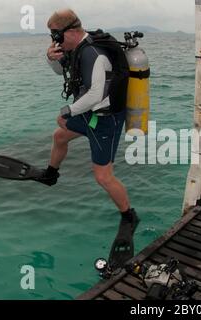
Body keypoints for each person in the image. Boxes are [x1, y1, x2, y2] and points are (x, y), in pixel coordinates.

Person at [44, 9, 139, 265]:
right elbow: (58, 71)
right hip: (90, 115)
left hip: (105, 121)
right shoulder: (75, 49)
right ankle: (51, 174)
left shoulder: (94, 54)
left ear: (72, 31)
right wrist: (50, 58)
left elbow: (97, 94)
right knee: (59, 136)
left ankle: (129, 216)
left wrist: (67, 111)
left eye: (56, 35)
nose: (54, 40)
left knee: (103, 176)